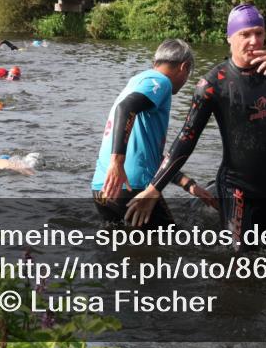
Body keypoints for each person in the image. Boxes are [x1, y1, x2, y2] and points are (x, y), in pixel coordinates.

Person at [126, 4, 266, 247]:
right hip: (237, 191)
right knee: (237, 268)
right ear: (230, 38)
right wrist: (154, 188)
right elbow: (186, 139)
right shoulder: (212, 84)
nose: (254, 40)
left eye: (259, 33)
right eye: (245, 34)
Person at [91, 39, 213, 227]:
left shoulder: (137, 81)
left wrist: (188, 184)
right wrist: (117, 163)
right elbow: (125, 108)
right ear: (184, 66)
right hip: (132, 185)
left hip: (102, 188)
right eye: (189, 73)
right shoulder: (161, 82)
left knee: (122, 248)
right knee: (171, 246)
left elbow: (147, 155)